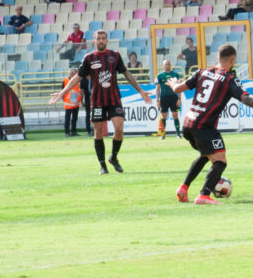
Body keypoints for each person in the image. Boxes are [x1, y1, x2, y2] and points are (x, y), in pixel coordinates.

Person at [169, 44, 253, 205]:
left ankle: (183, 189)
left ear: (217, 57)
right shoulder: (229, 79)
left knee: (206, 154)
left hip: (188, 123)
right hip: (204, 125)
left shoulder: (202, 71)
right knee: (220, 160)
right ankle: (203, 195)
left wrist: (173, 83)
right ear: (233, 60)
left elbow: (178, 88)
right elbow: (246, 99)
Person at [49, 31, 152, 175]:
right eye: (99, 39)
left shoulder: (114, 56)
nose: (101, 41)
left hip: (114, 99)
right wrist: (62, 92)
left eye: (103, 38)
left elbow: (126, 73)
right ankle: (103, 166)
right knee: (98, 133)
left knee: (119, 129)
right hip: (97, 100)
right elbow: (77, 78)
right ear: (94, 41)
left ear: (107, 40)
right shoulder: (89, 58)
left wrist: (141, 91)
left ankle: (113, 157)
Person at [154, 59, 184, 140]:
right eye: (166, 64)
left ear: (170, 65)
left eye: (168, 64)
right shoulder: (159, 76)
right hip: (164, 98)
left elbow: (179, 87)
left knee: (175, 115)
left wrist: (179, 99)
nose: (167, 65)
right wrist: (157, 100)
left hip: (174, 97)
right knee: (164, 116)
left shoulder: (175, 75)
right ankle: (162, 134)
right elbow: (157, 88)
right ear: (163, 66)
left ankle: (178, 134)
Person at [62, 68, 82, 137]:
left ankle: (74, 131)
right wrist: (64, 100)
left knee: (74, 118)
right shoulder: (65, 80)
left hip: (76, 103)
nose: (72, 73)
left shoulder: (79, 80)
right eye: (71, 72)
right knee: (67, 119)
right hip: (68, 103)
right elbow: (62, 91)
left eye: (73, 73)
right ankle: (67, 132)